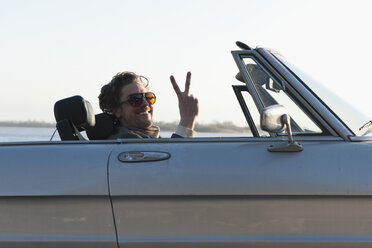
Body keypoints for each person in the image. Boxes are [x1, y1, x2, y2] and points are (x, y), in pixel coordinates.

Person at [98, 71, 198, 139]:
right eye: (135, 99)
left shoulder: (151, 139)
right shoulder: (124, 141)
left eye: (148, 97)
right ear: (117, 110)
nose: (145, 103)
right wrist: (187, 120)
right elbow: (170, 166)